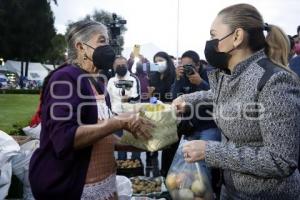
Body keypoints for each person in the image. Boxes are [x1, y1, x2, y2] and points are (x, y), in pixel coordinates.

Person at [173, 4, 300, 199]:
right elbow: (220, 95)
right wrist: (188, 99)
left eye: (214, 35)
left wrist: (211, 151)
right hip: (230, 189)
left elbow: (281, 161)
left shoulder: (275, 81)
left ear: (237, 36)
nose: (211, 42)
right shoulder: (230, 74)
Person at [29, 20, 153, 200]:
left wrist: (145, 141)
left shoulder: (98, 84)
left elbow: (101, 136)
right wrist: (118, 122)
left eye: (108, 42)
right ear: (81, 47)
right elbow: (64, 138)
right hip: (71, 187)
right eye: (102, 41)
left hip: (105, 186)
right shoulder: (64, 78)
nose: (108, 47)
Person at [147, 51, 176, 177]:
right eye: (155, 61)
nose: (158, 63)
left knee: (168, 147)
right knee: (153, 143)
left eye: (160, 60)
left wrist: (162, 103)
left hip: (170, 116)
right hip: (155, 115)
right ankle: (152, 171)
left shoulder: (174, 76)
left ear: (167, 61)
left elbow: (175, 97)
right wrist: (151, 96)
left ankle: (166, 173)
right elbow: (151, 97)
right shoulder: (153, 76)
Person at [107, 55, 141, 160]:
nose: (121, 67)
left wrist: (129, 99)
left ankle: (136, 165)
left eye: (123, 65)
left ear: (127, 65)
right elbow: (108, 99)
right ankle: (123, 166)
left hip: (131, 117)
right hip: (116, 117)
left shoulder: (133, 79)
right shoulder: (111, 81)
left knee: (135, 143)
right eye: (118, 65)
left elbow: (138, 98)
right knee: (121, 145)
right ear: (113, 66)